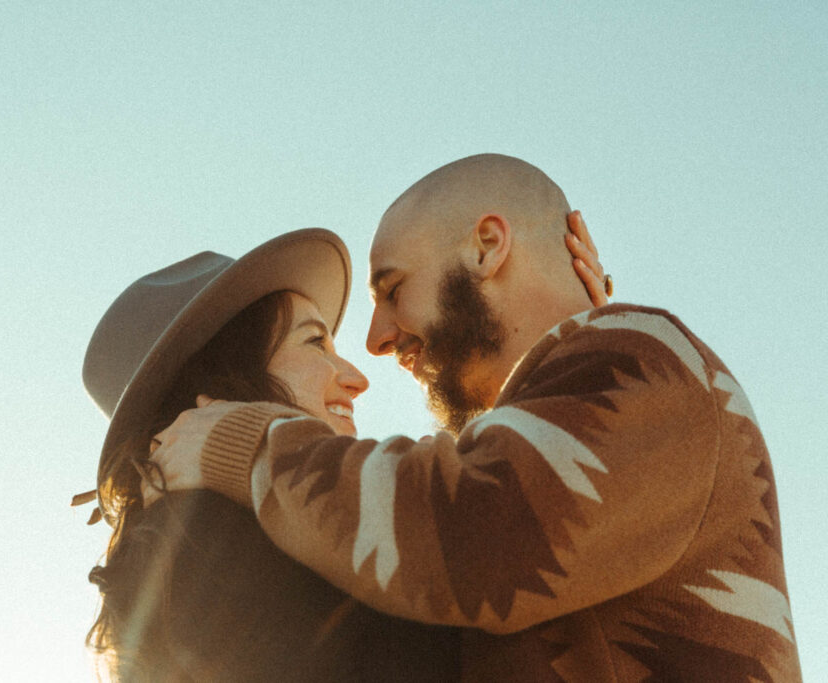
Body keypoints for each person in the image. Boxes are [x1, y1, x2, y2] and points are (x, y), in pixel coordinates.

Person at [149, 155, 803, 681]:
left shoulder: (640, 358)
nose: (375, 339)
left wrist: (246, 446)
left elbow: (477, 527)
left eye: (392, 287)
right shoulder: (620, 381)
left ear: (487, 247)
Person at [76, 223, 606, 681]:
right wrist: (580, 348)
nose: (355, 379)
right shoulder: (238, 561)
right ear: (228, 380)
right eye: (314, 344)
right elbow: (502, 534)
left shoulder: (227, 553)